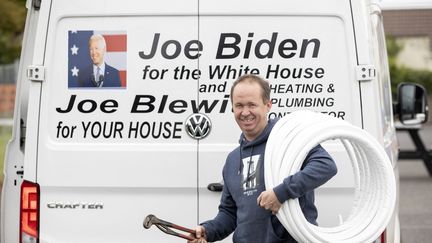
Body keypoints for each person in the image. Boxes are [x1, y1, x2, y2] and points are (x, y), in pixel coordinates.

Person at [188, 74, 337, 243]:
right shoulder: (232, 159)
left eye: (252, 105)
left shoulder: (290, 142)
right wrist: (207, 231)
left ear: (268, 105)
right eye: (239, 106)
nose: (245, 112)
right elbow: (229, 214)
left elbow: (326, 165)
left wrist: (281, 193)